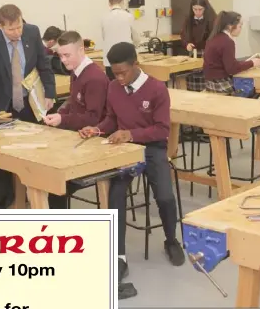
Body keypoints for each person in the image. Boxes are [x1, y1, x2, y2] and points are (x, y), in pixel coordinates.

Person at [79, 42, 186, 284]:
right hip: (125, 150)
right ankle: (119, 256)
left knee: (165, 196)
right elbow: (111, 119)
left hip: (152, 148)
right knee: (116, 194)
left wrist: (131, 134)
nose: (119, 78)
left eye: (123, 72)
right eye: (114, 73)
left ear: (136, 65)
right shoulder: (114, 88)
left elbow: (161, 130)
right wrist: (97, 129)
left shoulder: (157, 89)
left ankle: (171, 240)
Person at [42, 31, 109, 209]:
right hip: (76, 135)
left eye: (67, 55)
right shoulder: (76, 70)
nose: (63, 60)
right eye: (60, 55)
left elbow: (92, 118)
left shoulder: (94, 78)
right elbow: (74, 100)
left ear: (81, 50)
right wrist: (61, 111)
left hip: (93, 140)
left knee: (54, 182)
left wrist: (62, 119)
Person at [0, 4, 55, 124]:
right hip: (5, 102)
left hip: (31, 99)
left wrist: (50, 93)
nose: (17, 33)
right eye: (11, 29)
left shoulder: (32, 32)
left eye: (19, 27)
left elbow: (44, 64)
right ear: (1, 26)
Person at [203, 11, 260, 95]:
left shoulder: (214, 38)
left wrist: (249, 62)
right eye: (240, 26)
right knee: (255, 91)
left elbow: (229, 63)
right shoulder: (227, 42)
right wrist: (252, 63)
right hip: (221, 85)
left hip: (210, 84)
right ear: (230, 26)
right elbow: (231, 69)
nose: (241, 29)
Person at [101, 0, 141, 81]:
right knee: (129, 85)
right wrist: (137, 46)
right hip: (126, 60)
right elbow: (136, 38)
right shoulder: (129, 16)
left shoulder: (104, 18)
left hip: (109, 61)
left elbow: (104, 37)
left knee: (113, 86)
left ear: (109, 2)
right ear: (122, 1)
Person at [180, 0, 216, 92]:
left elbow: (214, 38)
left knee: (205, 85)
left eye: (200, 9)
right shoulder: (188, 19)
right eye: (195, 9)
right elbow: (183, 34)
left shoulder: (212, 20)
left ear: (205, 8)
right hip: (193, 54)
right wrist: (186, 44)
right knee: (192, 84)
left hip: (207, 54)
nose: (197, 12)